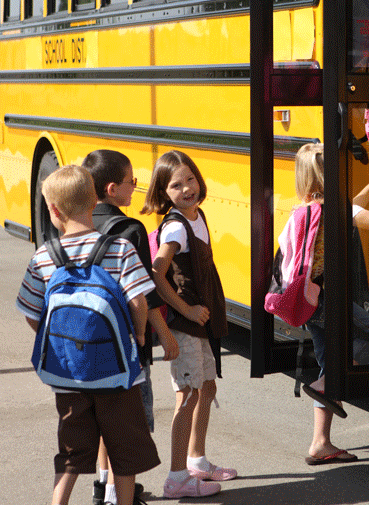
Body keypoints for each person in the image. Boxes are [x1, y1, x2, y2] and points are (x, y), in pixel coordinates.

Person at [16, 165, 160, 505]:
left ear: (53, 210)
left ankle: (58, 502)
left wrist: (60, 342)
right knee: (123, 450)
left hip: (68, 376)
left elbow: (32, 312)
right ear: (95, 200)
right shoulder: (120, 249)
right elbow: (139, 302)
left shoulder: (43, 257)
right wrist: (138, 337)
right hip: (118, 375)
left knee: (71, 450)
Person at [282, 143, 369, 466]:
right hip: (330, 300)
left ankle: (320, 443)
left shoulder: (309, 209)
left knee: (330, 361)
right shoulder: (336, 211)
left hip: (308, 300)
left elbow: (354, 207)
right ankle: (327, 384)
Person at [81, 150, 180, 505]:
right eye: (131, 182)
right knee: (128, 424)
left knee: (106, 417)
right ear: (111, 188)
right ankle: (118, 496)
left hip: (87, 341)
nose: (135, 186)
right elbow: (143, 294)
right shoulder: (129, 229)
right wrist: (162, 335)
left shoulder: (79, 222)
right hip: (126, 342)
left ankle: (103, 484)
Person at [141, 150, 235, 499]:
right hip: (186, 323)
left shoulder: (197, 216)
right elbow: (156, 274)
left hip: (202, 323)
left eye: (190, 179)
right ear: (163, 193)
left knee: (206, 388)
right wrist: (187, 310)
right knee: (187, 395)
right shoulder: (177, 225)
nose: (186, 189)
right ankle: (176, 476)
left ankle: (197, 460)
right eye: (175, 185)